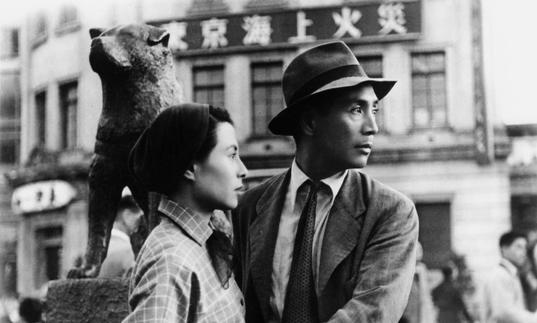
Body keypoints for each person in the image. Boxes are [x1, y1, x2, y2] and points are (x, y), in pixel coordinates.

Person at [232, 40, 419, 323]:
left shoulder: (390, 211)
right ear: (310, 123)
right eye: (357, 109)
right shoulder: (249, 207)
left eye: (374, 110)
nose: (373, 126)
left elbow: (372, 311)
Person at [123, 103, 248, 322]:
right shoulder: (171, 260)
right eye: (231, 155)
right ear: (190, 168)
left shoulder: (205, 242)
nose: (243, 170)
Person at [482, 231, 537, 323]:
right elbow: (504, 313)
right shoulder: (500, 275)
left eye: (525, 248)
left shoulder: (511, 273)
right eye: (518, 247)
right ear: (504, 249)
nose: (523, 252)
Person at [98, 194, 143, 278]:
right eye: (140, 218)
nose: (141, 223)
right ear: (127, 215)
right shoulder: (126, 249)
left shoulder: (100, 245)